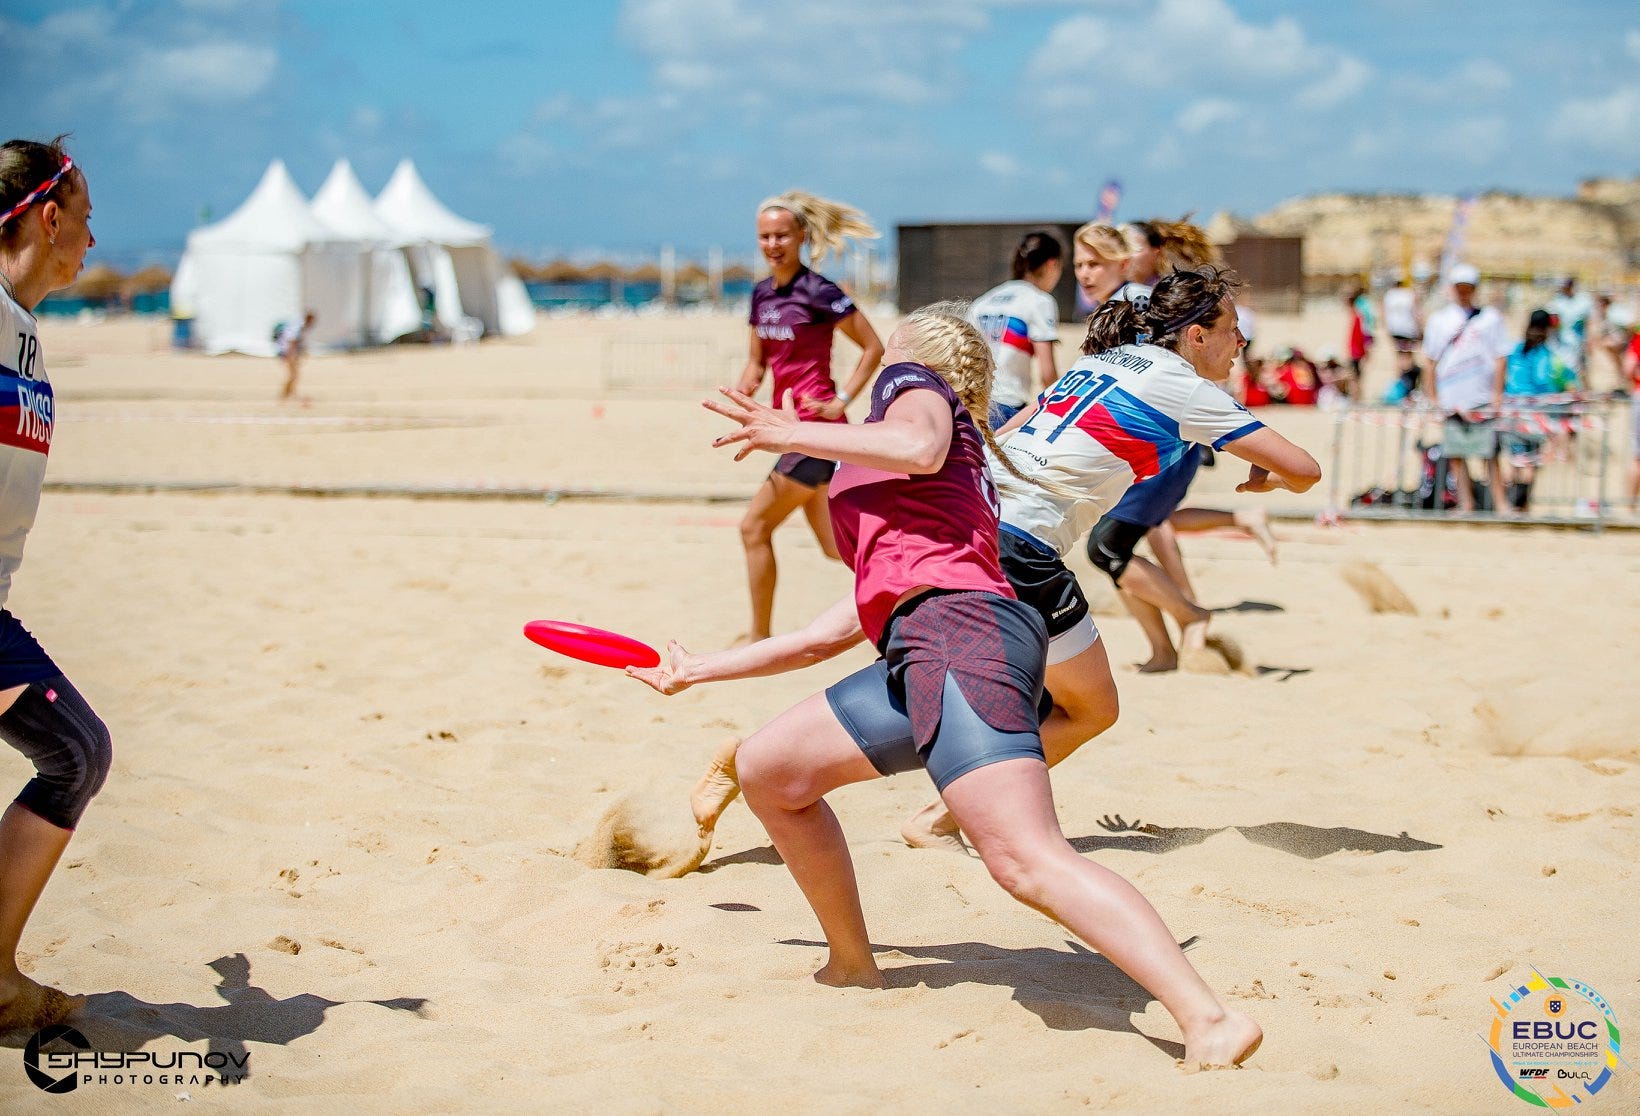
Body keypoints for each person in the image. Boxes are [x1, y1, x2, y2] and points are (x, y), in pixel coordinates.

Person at [633, 302, 1264, 1068]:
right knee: (772, 772)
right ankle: (853, 964)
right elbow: (821, 637)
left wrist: (785, 430)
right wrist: (698, 669)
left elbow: (920, 441)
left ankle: (1209, 1020)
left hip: (960, 639)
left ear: (916, 353)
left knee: (1025, 859)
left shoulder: (911, 386)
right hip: (928, 644)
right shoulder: (919, 467)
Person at [0, 136, 112, 1032]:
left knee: (75, 753)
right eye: (86, 220)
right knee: (75, 749)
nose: (92, 241)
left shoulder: (24, 331)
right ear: (47, 217)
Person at [734, 191, 885, 643]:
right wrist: (744, 390)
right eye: (764, 236)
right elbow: (757, 363)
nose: (773, 243)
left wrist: (842, 399)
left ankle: (758, 637)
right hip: (786, 432)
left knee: (754, 527)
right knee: (837, 548)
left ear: (801, 236)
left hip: (816, 433)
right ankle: (920, 593)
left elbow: (874, 347)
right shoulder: (761, 294)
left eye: (782, 234)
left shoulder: (820, 291)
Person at [1423, 264, 1510, 514]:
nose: (1463, 293)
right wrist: (1433, 398)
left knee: (1490, 454)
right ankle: (1466, 502)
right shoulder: (1440, 320)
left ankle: (1500, 503)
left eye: (1468, 288)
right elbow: (1429, 361)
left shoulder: (1490, 318)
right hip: (1452, 397)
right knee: (1456, 455)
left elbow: (1500, 356)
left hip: (1480, 396)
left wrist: (1496, 393)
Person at [966, 230, 1062, 426]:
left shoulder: (982, 302)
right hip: (1006, 408)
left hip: (970, 407)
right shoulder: (1040, 301)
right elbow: (1047, 375)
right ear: (1052, 265)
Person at [1499, 309, 1576, 512]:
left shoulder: (1514, 350)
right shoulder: (1549, 356)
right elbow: (1557, 383)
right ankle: (1521, 504)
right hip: (1534, 414)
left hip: (1511, 411)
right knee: (1531, 462)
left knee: (1515, 461)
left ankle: (1513, 503)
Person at [1069, 223, 1132, 317]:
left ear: (1123, 265)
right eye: (1078, 265)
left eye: (1093, 264)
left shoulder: (1136, 305)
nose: (1083, 275)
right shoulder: (1110, 308)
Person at [1382, 277, 1424, 397]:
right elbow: (1416, 313)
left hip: (1395, 330)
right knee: (1409, 358)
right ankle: (1409, 385)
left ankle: (1401, 384)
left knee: (1399, 358)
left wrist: (1388, 330)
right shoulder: (1409, 294)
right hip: (1408, 330)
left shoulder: (1389, 295)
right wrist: (1420, 331)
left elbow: (1384, 313)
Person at [1546, 276, 1592, 382]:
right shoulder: (1557, 302)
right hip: (1561, 342)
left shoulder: (1583, 301)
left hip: (1578, 342)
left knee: (1581, 370)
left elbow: (1588, 322)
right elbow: (1553, 322)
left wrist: (1588, 340)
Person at [276, 310, 316, 402]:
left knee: (293, 374)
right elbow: (291, 341)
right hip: (288, 352)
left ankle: (288, 394)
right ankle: (285, 395)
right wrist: (291, 355)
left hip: (288, 352)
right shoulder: (297, 327)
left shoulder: (297, 325)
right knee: (293, 374)